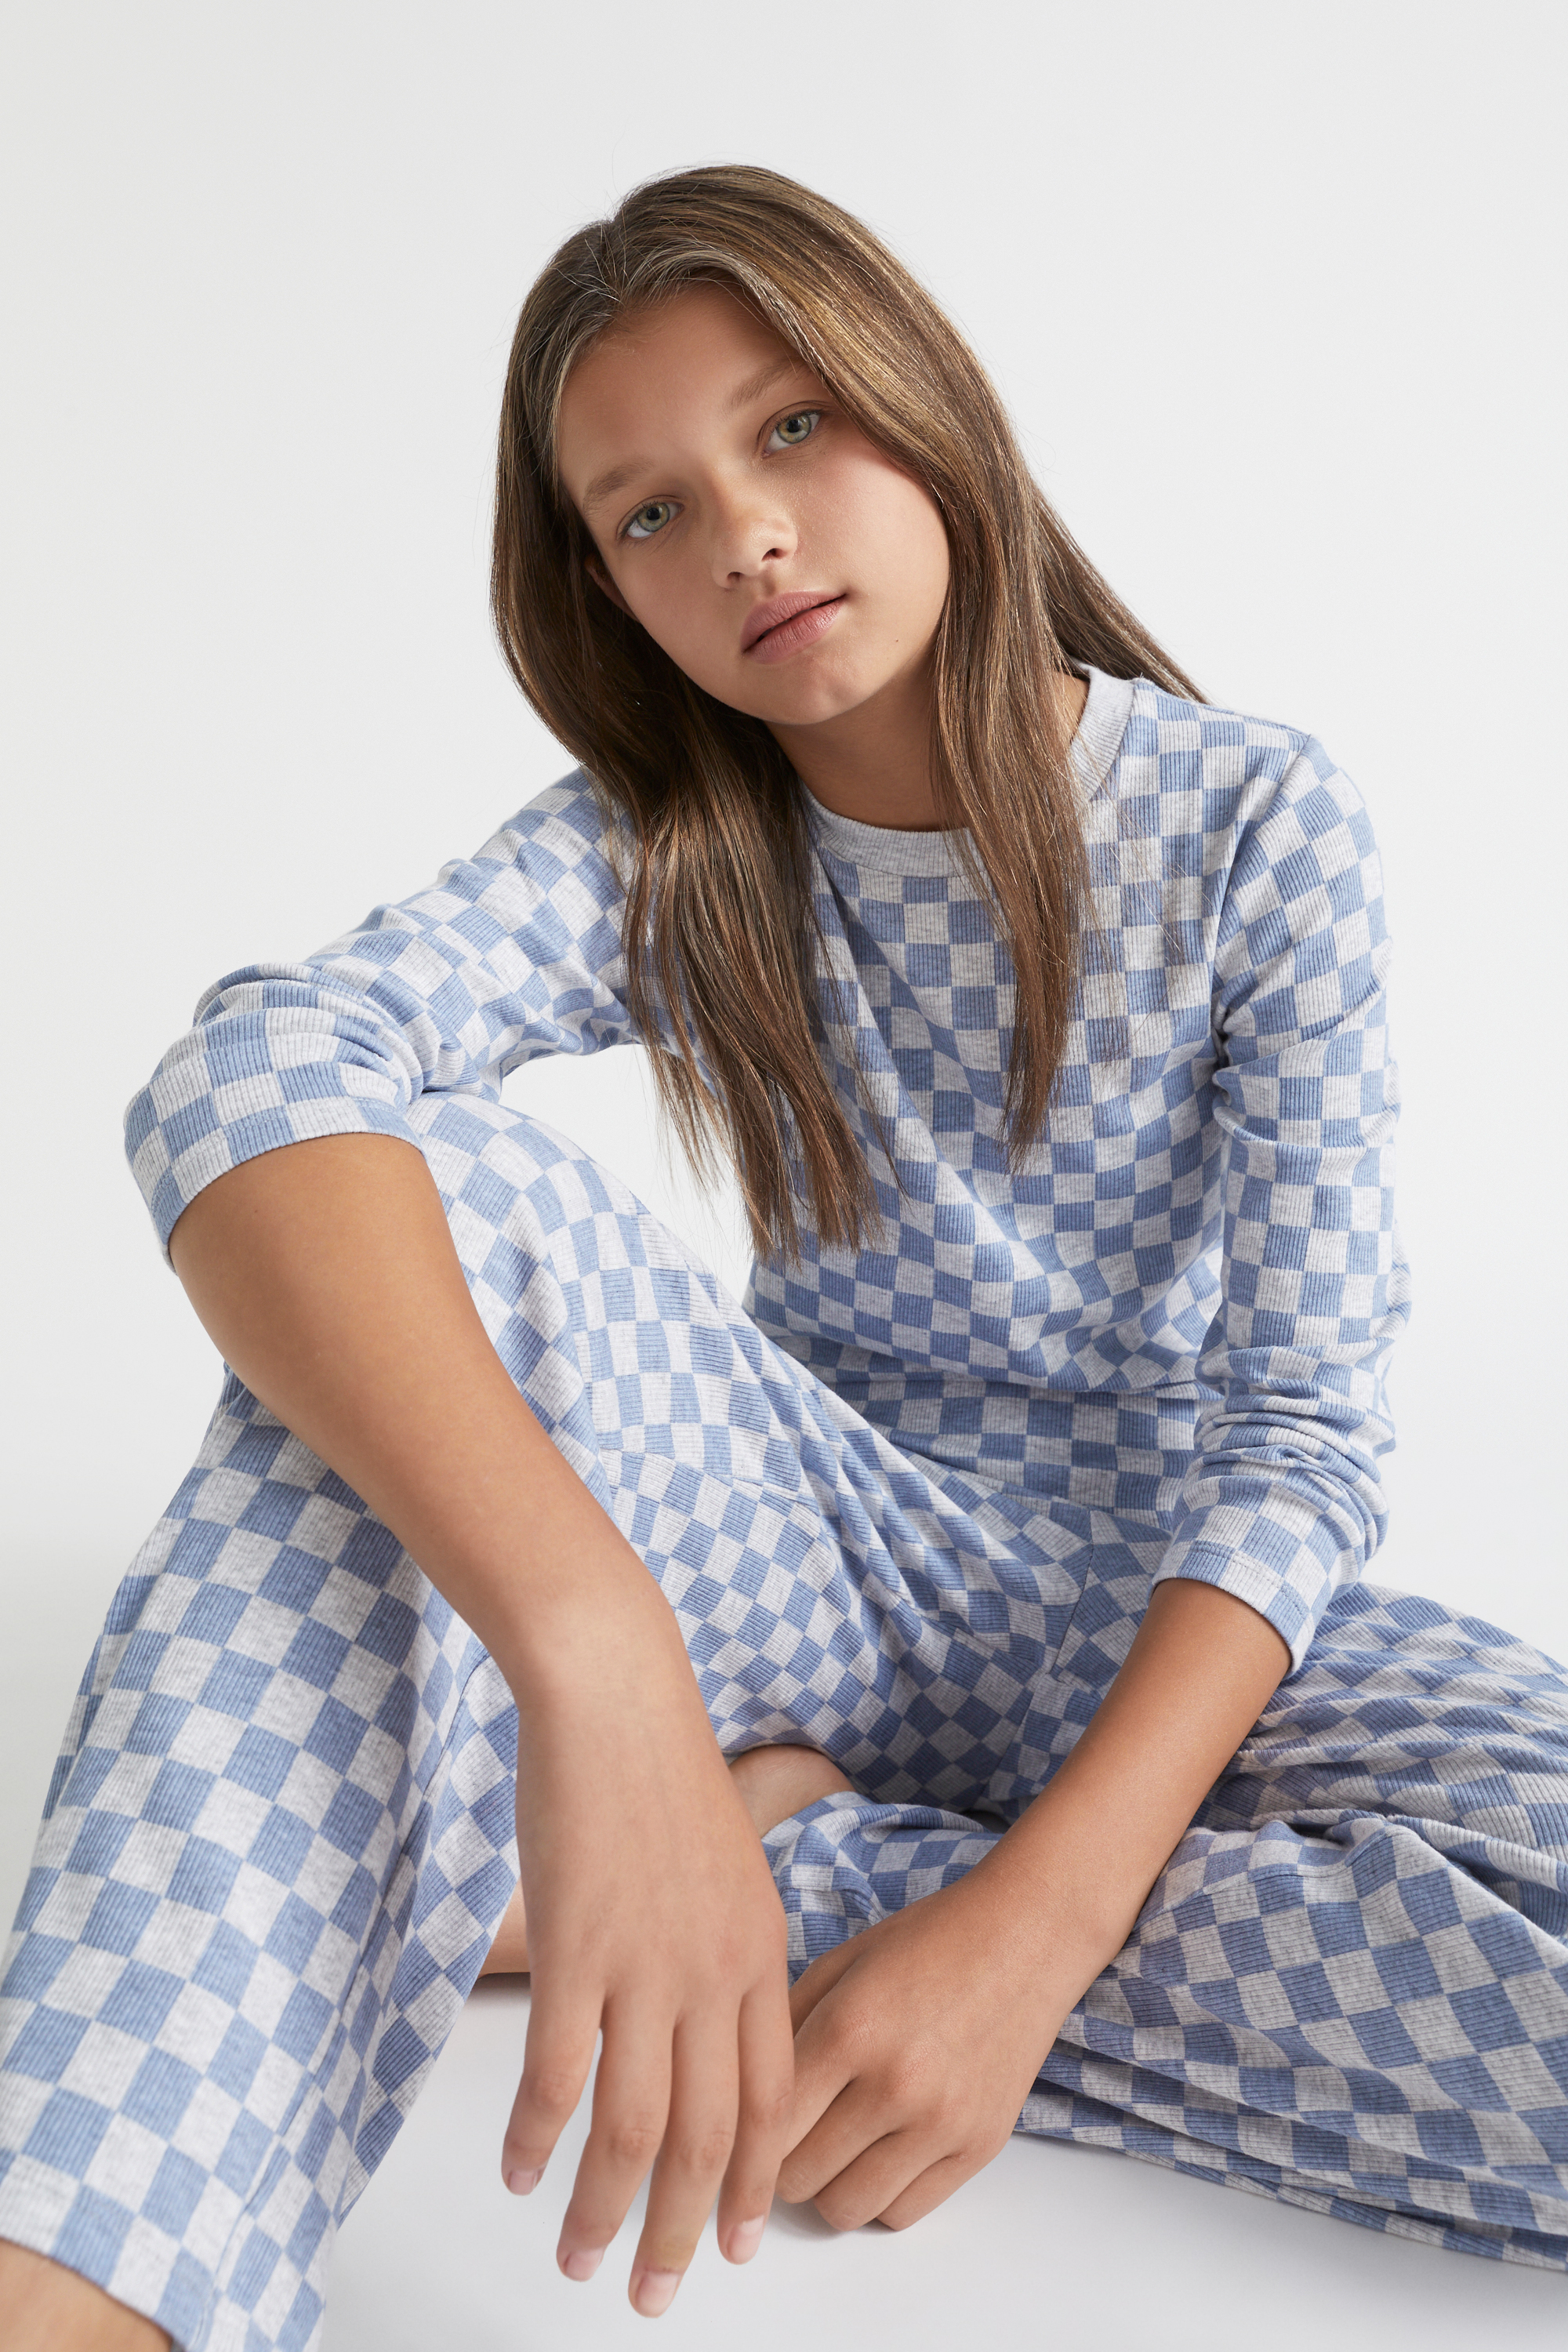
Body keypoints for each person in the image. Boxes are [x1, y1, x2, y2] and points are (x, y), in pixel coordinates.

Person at [2, 162, 1565, 2352]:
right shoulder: (665, 853)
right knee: (421, 1189)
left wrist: (1026, 1933)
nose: (741, 531)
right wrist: (602, 1661)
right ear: (608, 587)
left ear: (929, 408)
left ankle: (728, 1874)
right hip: (794, 1547)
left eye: (794, 427)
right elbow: (249, 1071)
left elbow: (1304, 1439)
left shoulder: (1251, 823)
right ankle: (77, 2285)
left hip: (1164, 1608)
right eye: (649, 510)